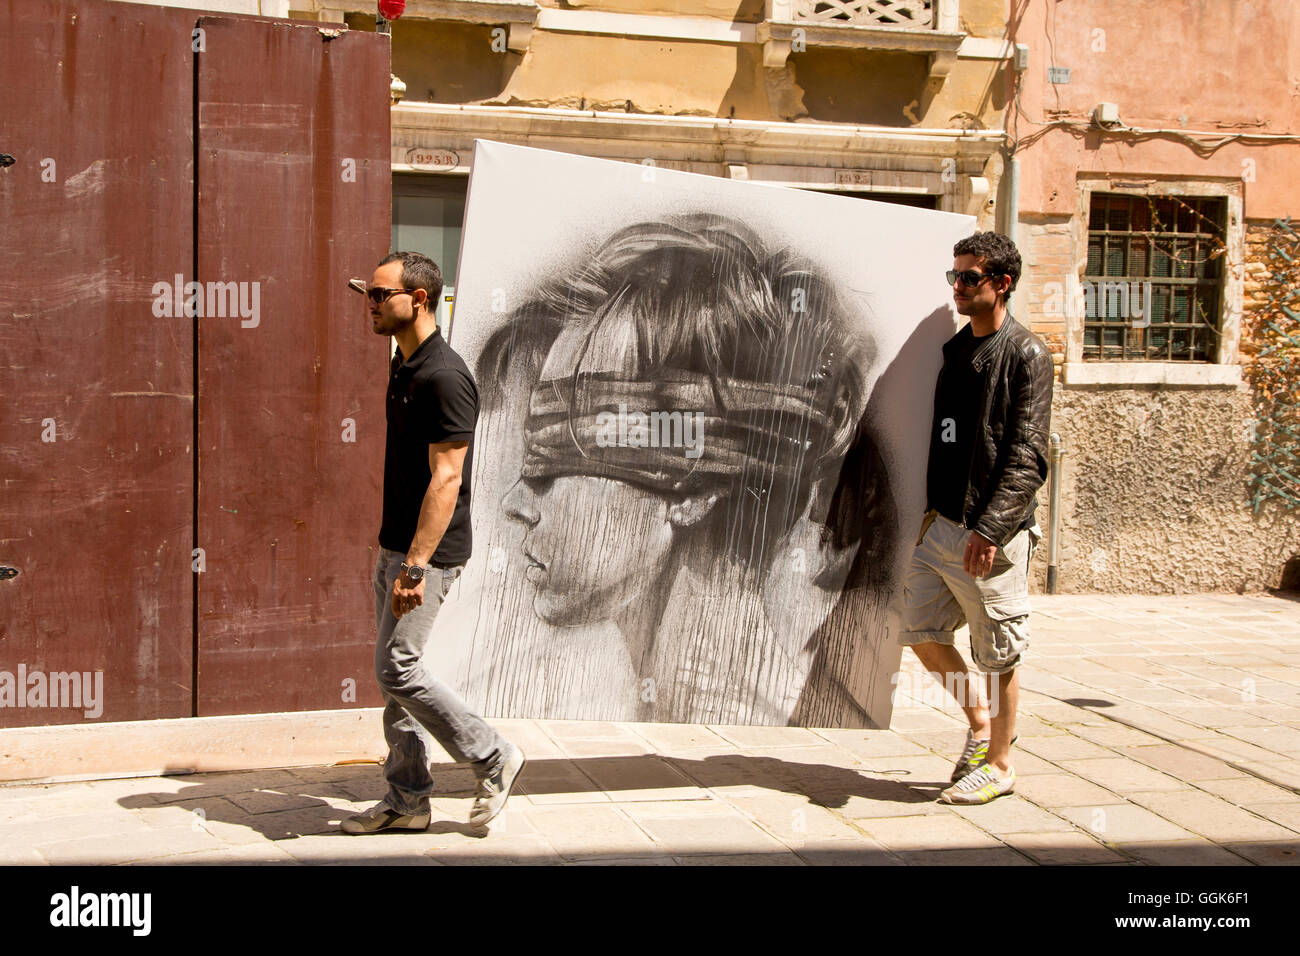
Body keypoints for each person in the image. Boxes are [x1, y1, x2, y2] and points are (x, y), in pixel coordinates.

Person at [472, 215, 897, 724]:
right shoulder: (688, 709)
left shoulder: (746, 732)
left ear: (694, 486)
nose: (515, 502)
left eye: (557, 455)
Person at [340, 251, 524, 834]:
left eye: (378, 295)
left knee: (396, 668)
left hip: (427, 554)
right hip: (394, 544)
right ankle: (407, 798)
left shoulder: (444, 376)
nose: (368, 304)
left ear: (418, 300)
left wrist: (415, 567)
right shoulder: (405, 363)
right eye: (364, 294)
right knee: (395, 679)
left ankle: (492, 755)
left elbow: (447, 478)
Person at [899, 231, 1053, 805]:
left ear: (1001, 283)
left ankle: (1002, 764)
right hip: (940, 525)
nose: (958, 287)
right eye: (954, 277)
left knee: (999, 652)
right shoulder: (957, 351)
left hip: (993, 532)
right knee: (912, 625)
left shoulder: (1027, 356)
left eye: (969, 278)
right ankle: (982, 727)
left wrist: (992, 527)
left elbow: (1028, 454)